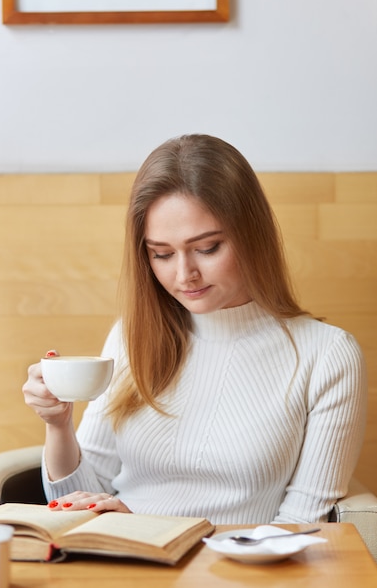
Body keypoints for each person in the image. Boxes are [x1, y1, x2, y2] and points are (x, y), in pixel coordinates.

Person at [23, 134, 367, 525]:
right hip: (120, 565)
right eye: (162, 254)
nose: (184, 275)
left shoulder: (327, 355)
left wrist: (156, 531)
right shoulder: (131, 336)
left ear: (252, 236)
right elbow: (74, 504)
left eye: (207, 248)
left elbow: (301, 526)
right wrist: (59, 424)